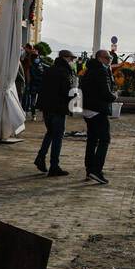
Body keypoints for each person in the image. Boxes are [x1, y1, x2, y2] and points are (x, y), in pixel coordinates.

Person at [34, 49, 77, 177]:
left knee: (50, 133)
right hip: (58, 108)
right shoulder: (64, 72)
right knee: (58, 136)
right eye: (71, 59)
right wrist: (74, 95)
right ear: (65, 58)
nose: (72, 61)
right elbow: (66, 91)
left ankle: (40, 157)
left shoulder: (50, 69)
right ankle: (54, 165)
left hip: (46, 107)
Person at [81, 48, 115, 184]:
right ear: (100, 58)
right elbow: (105, 92)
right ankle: (96, 170)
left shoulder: (89, 69)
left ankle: (89, 169)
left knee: (92, 140)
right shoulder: (101, 71)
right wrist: (114, 96)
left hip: (87, 109)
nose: (109, 61)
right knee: (105, 139)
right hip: (98, 109)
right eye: (108, 58)